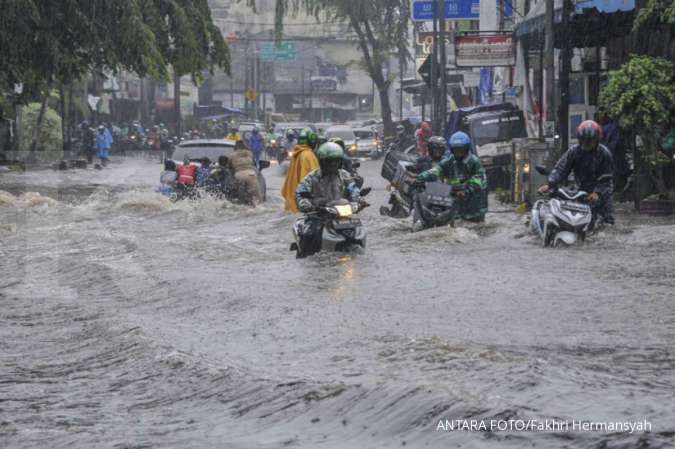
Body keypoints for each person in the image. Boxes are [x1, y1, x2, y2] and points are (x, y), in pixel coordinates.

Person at [538, 120, 615, 225]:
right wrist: (550, 184)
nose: (586, 144)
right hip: (581, 191)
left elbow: (606, 179)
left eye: (590, 141)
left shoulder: (605, 154)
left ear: (596, 140)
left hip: (601, 192)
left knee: (606, 223)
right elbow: (561, 169)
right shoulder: (574, 152)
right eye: (584, 141)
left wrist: (598, 193)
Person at [294, 142, 362, 253]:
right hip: (318, 215)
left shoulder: (344, 175)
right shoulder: (311, 177)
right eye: (329, 161)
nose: (333, 164)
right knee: (310, 236)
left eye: (336, 160)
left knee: (359, 228)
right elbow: (300, 193)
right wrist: (306, 203)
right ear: (321, 161)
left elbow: (353, 189)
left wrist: (357, 201)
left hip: (341, 215)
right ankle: (307, 258)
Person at [416, 131, 488, 222]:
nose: (458, 153)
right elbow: (437, 170)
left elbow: (478, 180)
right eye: (456, 150)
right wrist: (420, 178)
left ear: (466, 149)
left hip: (475, 206)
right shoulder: (449, 161)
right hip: (456, 203)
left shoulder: (474, 162)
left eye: (461, 150)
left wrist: (466, 191)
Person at [380, 135, 447, 217]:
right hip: (424, 189)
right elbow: (414, 169)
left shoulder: (447, 161)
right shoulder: (423, 160)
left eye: (441, 149)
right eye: (437, 149)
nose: (439, 152)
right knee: (416, 196)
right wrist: (414, 174)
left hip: (442, 190)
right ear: (430, 149)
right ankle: (413, 216)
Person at [281, 128, 320, 212]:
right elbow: (312, 179)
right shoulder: (308, 155)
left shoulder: (297, 154)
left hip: (294, 204)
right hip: (303, 205)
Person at [230, 140, 262, 204]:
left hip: (238, 175)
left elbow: (230, 167)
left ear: (235, 147)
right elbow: (254, 164)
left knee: (236, 200)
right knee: (257, 200)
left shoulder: (232, 155)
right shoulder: (250, 153)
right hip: (251, 175)